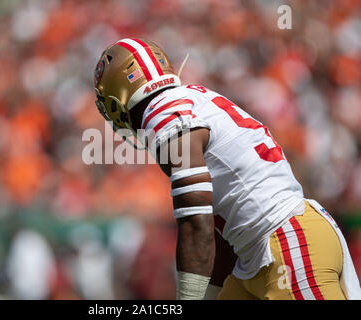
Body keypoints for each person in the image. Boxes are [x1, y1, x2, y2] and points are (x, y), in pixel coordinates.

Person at [92, 38, 361, 300]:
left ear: (116, 99)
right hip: (261, 255)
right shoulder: (190, 99)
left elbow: (196, 221)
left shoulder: (163, 115)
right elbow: (217, 229)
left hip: (286, 246)